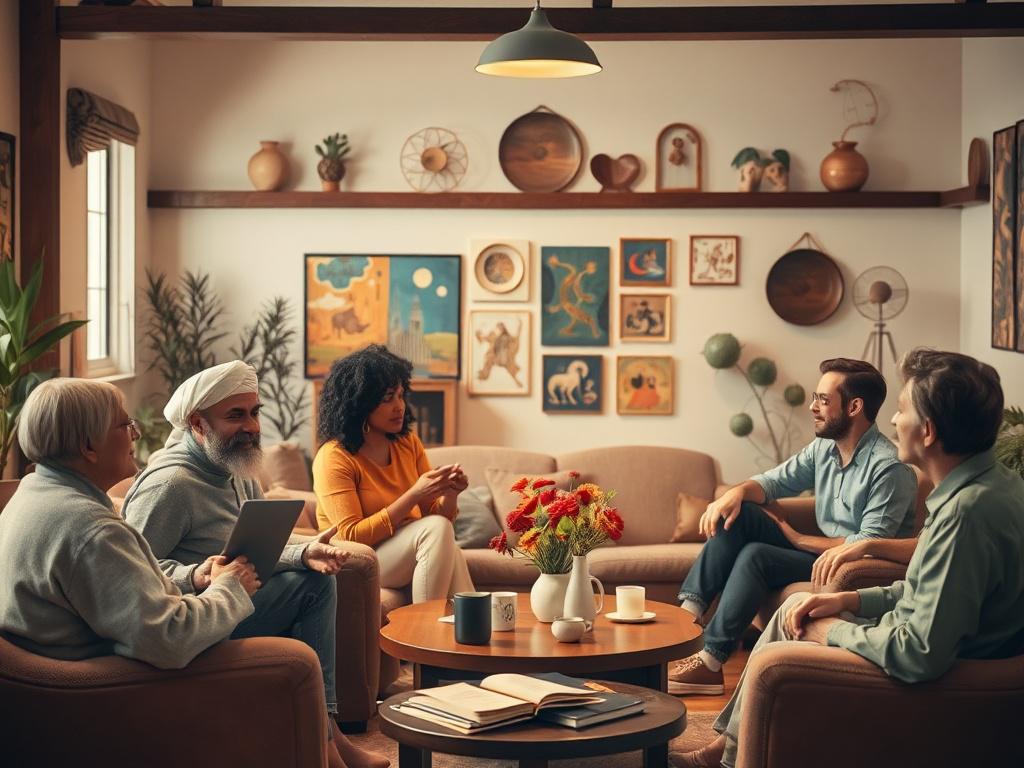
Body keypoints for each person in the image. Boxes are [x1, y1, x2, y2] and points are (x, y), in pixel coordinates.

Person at [673, 349, 1024, 768]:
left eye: (900, 411)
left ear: (927, 431)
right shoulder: (990, 487)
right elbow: (926, 587)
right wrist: (849, 602)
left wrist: (832, 631)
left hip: (936, 674)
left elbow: (919, 654)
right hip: (922, 639)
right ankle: (725, 742)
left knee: (774, 646)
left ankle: (729, 753)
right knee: (783, 587)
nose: (893, 422)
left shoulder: (964, 513)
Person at [121, 361, 386, 768]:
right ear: (197, 423)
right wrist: (198, 575)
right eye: (235, 416)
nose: (252, 426)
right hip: (191, 617)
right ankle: (325, 739)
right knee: (313, 589)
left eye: (254, 412)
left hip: (234, 599)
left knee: (315, 577)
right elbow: (135, 571)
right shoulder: (169, 485)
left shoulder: (236, 466)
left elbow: (250, 550)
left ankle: (324, 732)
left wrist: (304, 552)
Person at [670, 358, 917, 695]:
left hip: (852, 565)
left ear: (854, 407)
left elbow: (868, 542)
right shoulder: (824, 448)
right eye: (815, 398)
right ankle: (686, 619)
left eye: (824, 400)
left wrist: (800, 539)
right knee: (742, 511)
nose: (813, 407)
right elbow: (772, 483)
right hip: (825, 552)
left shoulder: (888, 468)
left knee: (757, 555)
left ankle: (710, 663)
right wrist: (736, 494)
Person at [0, 378, 258, 669]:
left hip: (59, 679)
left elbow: (125, 593)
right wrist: (230, 588)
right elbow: (171, 639)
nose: (136, 434)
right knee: (291, 651)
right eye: (125, 425)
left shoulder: (32, 492)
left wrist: (196, 576)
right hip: (111, 690)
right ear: (88, 446)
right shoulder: (93, 532)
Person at [313, 345, 473, 603]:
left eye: (400, 395)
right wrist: (413, 495)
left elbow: (436, 519)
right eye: (388, 398)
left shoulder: (407, 443)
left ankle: (469, 634)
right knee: (438, 533)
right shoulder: (333, 457)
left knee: (448, 544)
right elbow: (349, 536)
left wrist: (451, 495)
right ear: (360, 403)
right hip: (354, 561)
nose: (399, 406)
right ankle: (426, 629)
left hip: (404, 551)